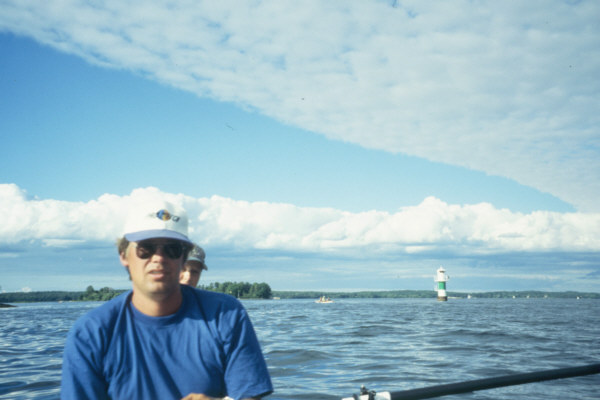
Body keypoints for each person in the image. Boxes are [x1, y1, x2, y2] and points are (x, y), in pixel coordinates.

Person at [61, 200, 273, 400]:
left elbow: (248, 394)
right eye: (146, 248)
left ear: (183, 257)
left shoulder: (226, 314)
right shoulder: (90, 333)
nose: (159, 258)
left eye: (172, 249)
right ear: (124, 255)